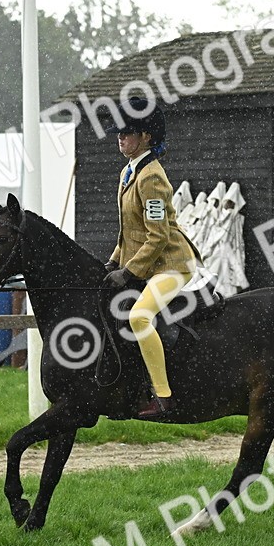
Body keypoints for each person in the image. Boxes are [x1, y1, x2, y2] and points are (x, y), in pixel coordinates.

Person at [103, 97, 198, 418]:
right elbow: (130, 231)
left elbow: (157, 236)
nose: (121, 137)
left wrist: (129, 272)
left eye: (128, 132)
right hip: (147, 264)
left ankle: (164, 397)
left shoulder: (151, 177)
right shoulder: (128, 172)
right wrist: (114, 261)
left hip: (172, 265)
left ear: (146, 137)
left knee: (138, 317)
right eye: (119, 132)